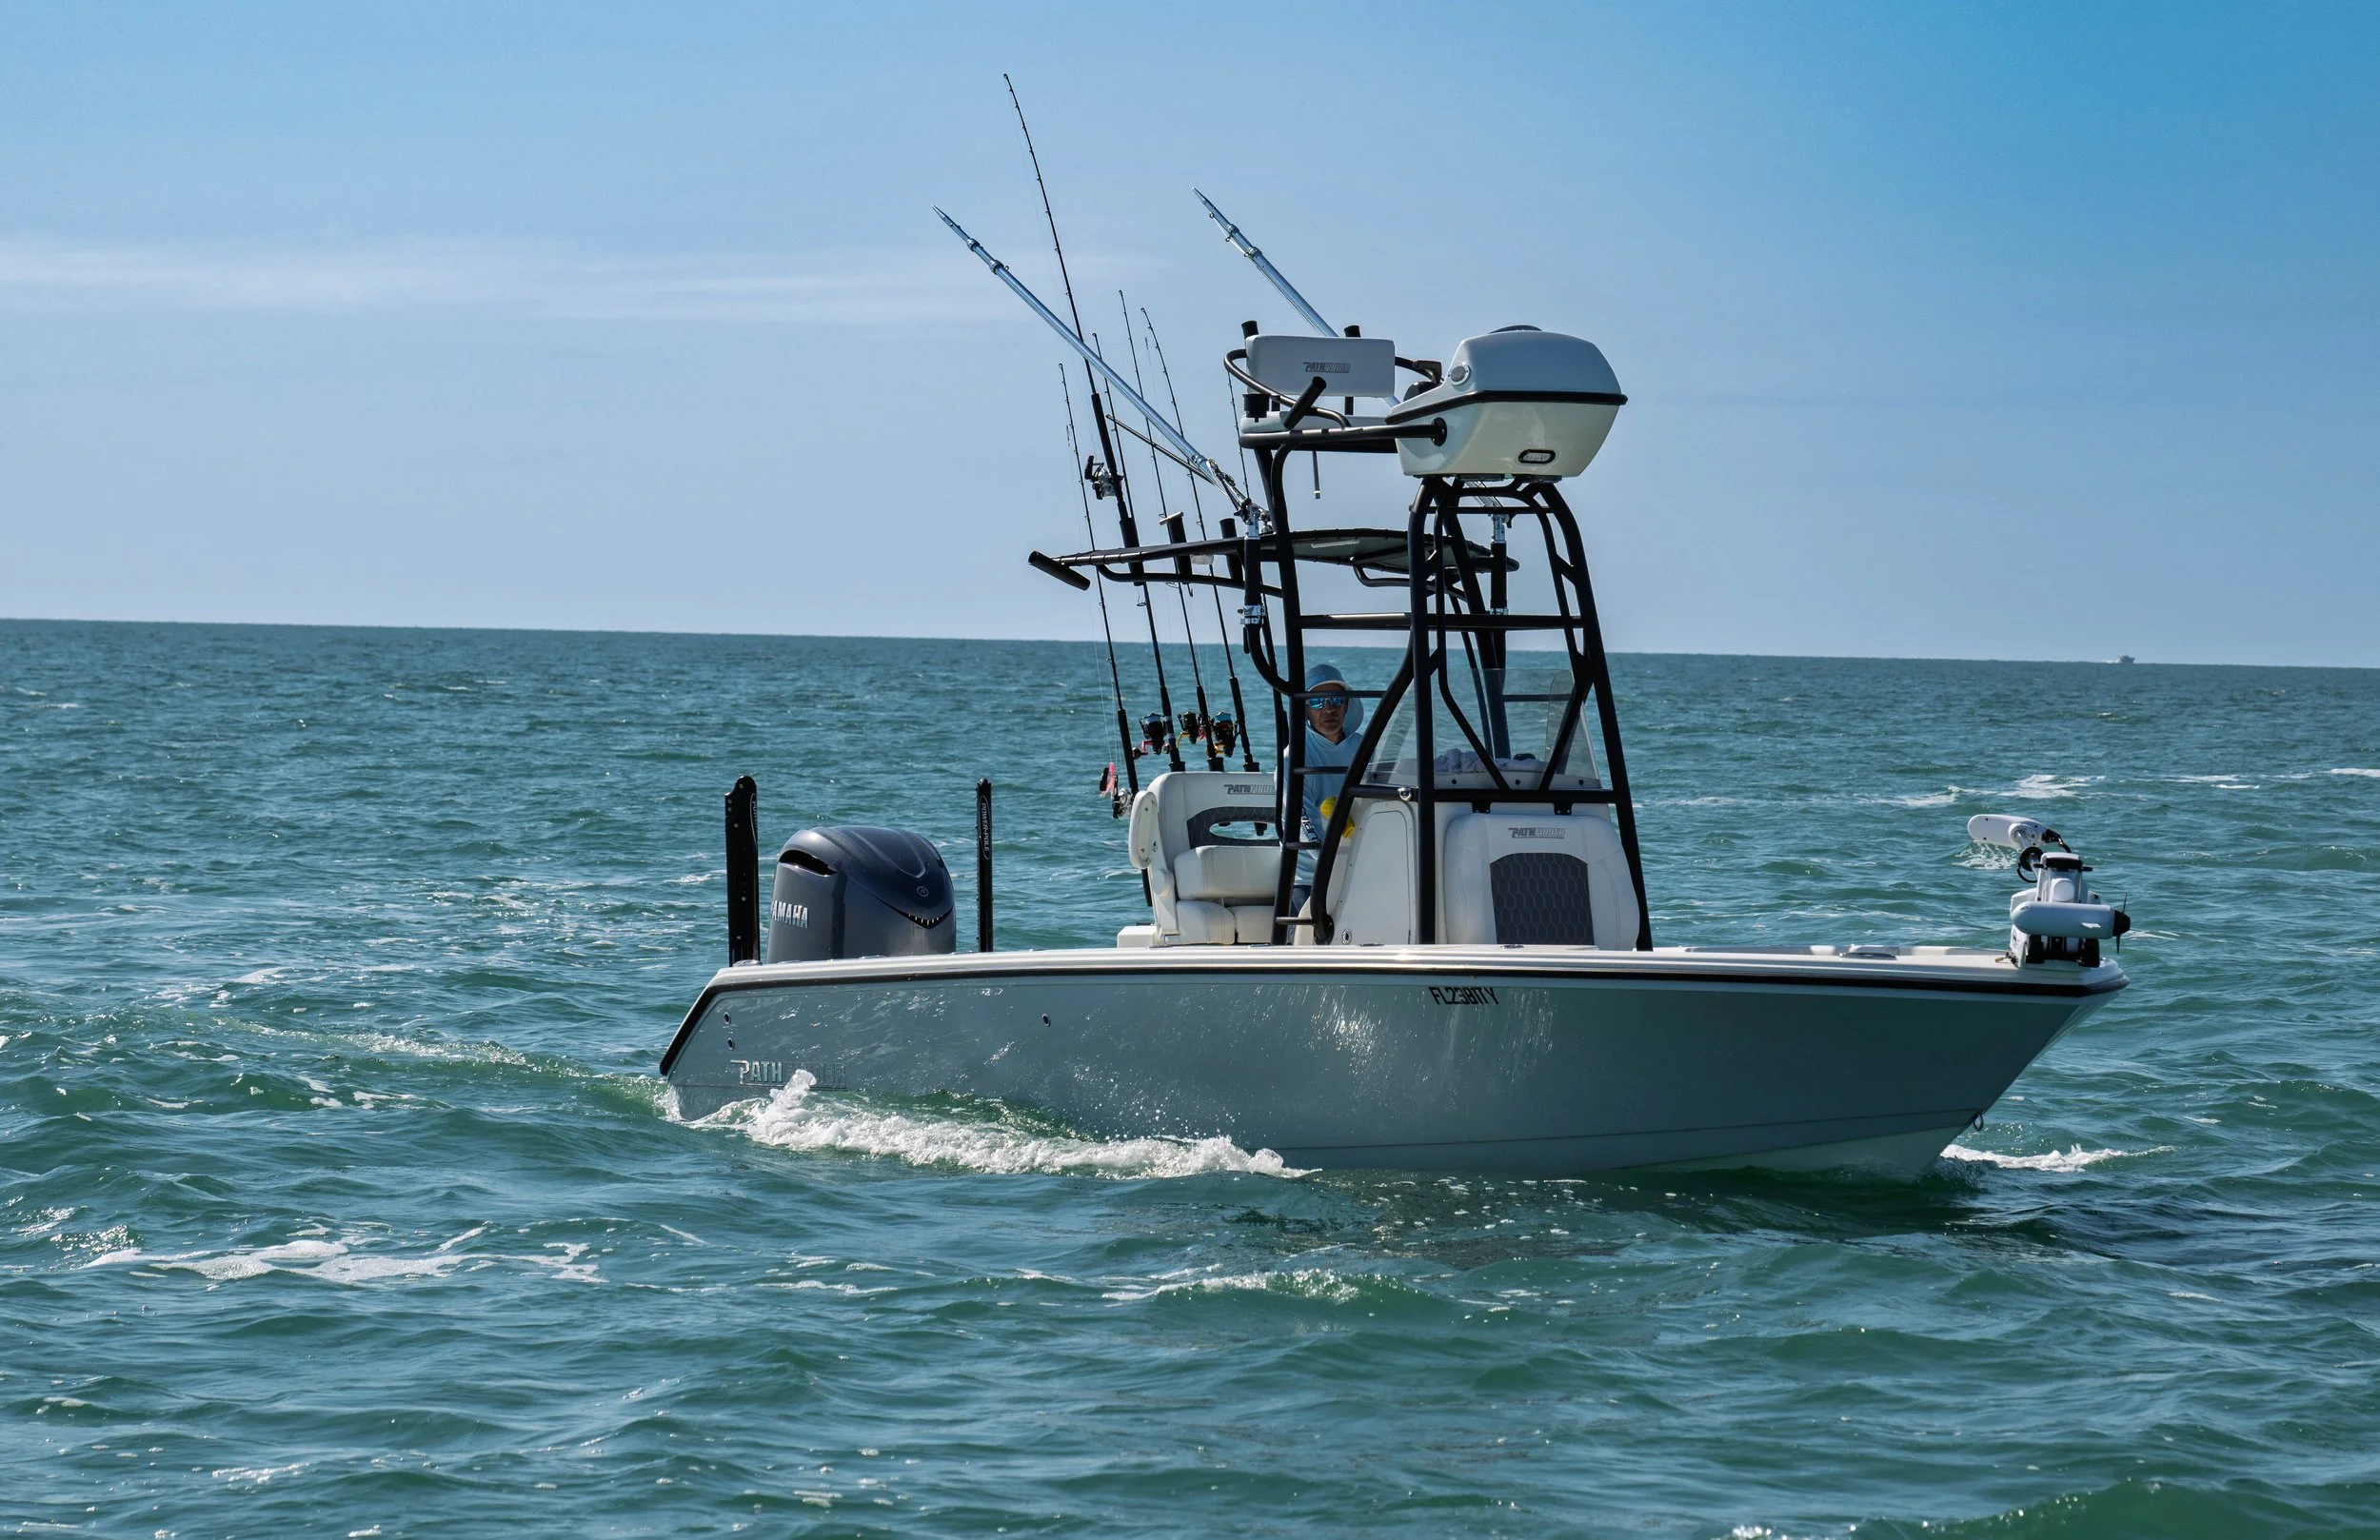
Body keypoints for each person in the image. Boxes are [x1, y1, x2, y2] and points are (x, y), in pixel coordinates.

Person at [1289, 661, 1363, 915]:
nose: (1329, 709)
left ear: (1347, 704)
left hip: (1362, 872)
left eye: (1335, 699)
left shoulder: (1367, 750)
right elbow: (1303, 822)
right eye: (1318, 702)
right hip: (1309, 880)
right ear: (1306, 710)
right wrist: (1334, 864)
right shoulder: (1294, 757)